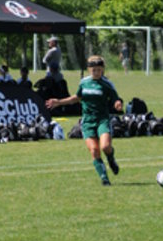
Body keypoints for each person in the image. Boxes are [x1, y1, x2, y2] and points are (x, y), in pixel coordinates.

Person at [46, 55, 123, 186]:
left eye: (99, 70)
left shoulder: (107, 84)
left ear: (103, 70)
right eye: (93, 70)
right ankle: (104, 178)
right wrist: (58, 102)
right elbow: (76, 97)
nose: (96, 72)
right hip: (87, 122)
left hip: (102, 120)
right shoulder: (84, 82)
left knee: (105, 147)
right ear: (89, 69)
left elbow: (116, 98)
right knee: (94, 150)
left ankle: (111, 159)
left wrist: (117, 104)